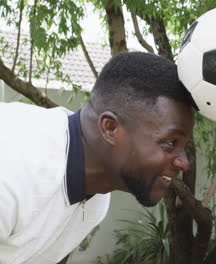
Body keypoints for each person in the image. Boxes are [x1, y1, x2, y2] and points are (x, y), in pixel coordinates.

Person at [0, 52, 195, 264]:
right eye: (170, 143)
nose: (183, 162)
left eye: (183, 147)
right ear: (110, 128)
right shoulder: (12, 168)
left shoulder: (96, 200)